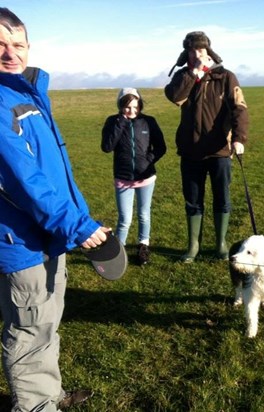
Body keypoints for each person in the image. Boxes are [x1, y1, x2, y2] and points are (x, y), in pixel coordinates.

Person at [0, 8, 110, 411]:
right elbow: (24, 181)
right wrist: (78, 225)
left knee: (45, 324)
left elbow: (53, 170)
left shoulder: (23, 92)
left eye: (17, 44)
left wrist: (77, 221)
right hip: (22, 239)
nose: (10, 53)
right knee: (29, 332)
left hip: (48, 233)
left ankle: (48, 395)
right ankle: (36, 407)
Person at [165, 31, 249, 262]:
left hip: (220, 150)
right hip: (191, 150)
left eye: (200, 49)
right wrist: (192, 75)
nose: (197, 54)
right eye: (192, 51)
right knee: (193, 199)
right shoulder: (183, 76)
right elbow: (174, 97)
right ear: (187, 53)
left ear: (208, 51)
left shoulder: (225, 77)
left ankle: (220, 245)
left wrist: (239, 139)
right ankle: (193, 246)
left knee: (222, 197)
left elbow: (239, 109)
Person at [101, 88, 166, 265]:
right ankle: (118, 252)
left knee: (144, 214)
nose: (132, 111)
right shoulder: (112, 121)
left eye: (135, 107)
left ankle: (143, 246)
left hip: (146, 178)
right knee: (125, 219)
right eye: (127, 107)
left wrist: (148, 161)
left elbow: (161, 147)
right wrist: (120, 122)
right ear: (120, 105)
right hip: (123, 179)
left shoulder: (148, 122)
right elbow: (107, 146)